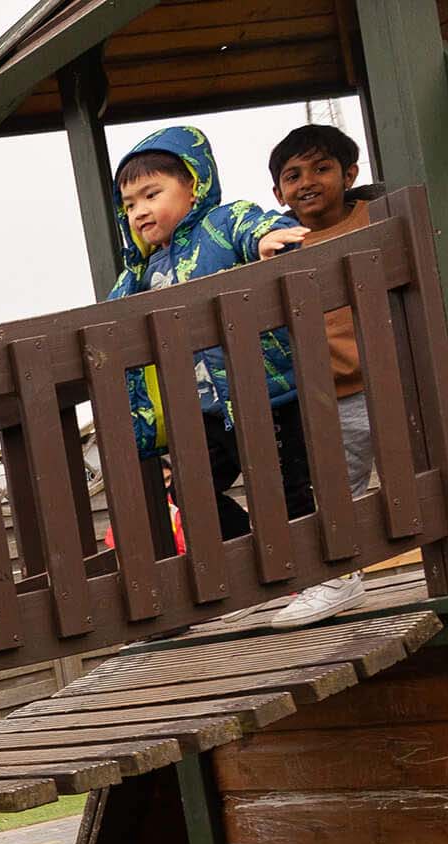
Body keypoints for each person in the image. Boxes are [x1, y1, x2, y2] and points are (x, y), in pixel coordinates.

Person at [106, 127, 314, 551]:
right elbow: (106, 318)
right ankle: (253, 552)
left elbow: (254, 225)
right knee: (189, 490)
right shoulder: (138, 275)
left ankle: (329, 574)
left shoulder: (220, 224)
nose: (140, 211)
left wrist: (266, 239)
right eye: (129, 205)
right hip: (202, 408)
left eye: (152, 194)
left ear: (193, 187)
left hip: (265, 391)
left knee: (284, 486)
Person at [268, 122, 388, 628]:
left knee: (437, 465)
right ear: (278, 192)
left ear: (350, 173)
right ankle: (341, 576)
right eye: (292, 175)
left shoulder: (376, 216)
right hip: (331, 390)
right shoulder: (280, 243)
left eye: (322, 168)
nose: (307, 182)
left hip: (398, 373)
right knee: (340, 486)